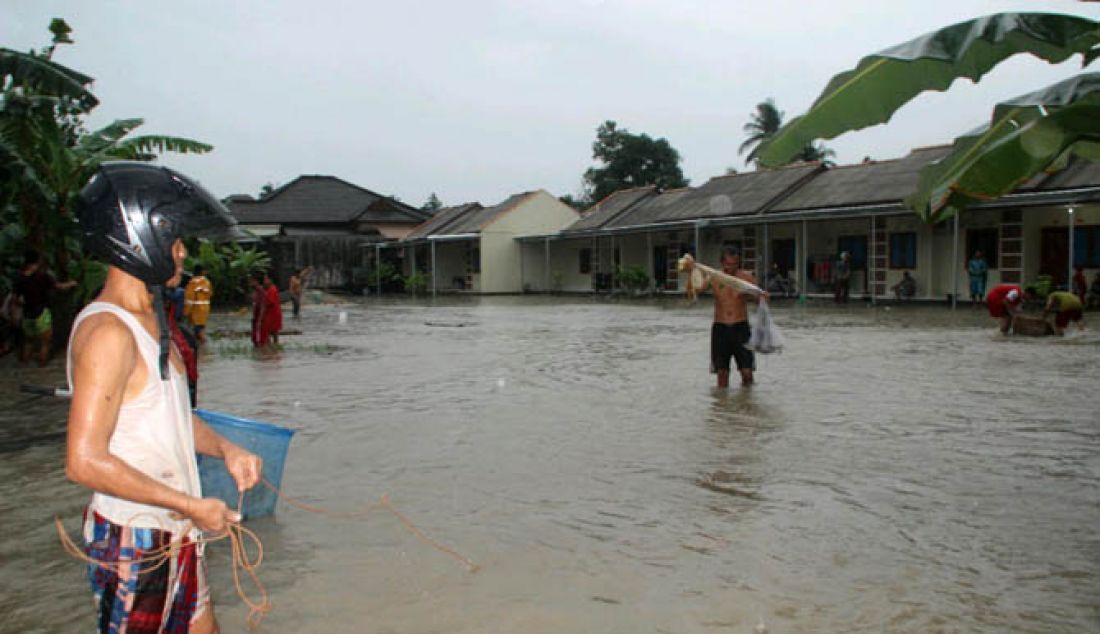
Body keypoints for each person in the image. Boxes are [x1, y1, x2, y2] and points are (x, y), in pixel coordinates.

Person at [67, 162, 261, 633]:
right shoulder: (108, 332)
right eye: (174, 241)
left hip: (177, 530)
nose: (181, 253)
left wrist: (226, 449)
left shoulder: (153, 323)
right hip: (138, 538)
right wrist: (193, 505)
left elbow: (171, 418)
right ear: (137, 238)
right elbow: (83, 461)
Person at [683, 249, 764, 388]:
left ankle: (747, 403)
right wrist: (691, 271)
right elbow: (694, 292)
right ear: (722, 263)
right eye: (728, 264)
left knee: (747, 372)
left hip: (741, 327)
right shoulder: (714, 277)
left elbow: (759, 299)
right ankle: (722, 406)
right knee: (722, 373)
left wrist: (755, 296)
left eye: (735, 264)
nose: (731, 267)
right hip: (720, 328)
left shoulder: (747, 277)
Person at [13, 249, 77, 366]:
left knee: (29, 342)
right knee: (45, 343)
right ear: (37, 261)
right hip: (42, 313)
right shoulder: (42, 276)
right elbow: (59, 287)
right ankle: (42, 366)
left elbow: (15, 299)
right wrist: (72, 283)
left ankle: (24, 367)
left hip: (27, 314)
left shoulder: (19, 278)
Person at [183, 263, 213, 344]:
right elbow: (210, 294)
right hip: (205, 309)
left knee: (198, 330)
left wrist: (186, 312)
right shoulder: (206, 282)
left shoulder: (192, 283)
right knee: (201, 328)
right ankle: (202, 346)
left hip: (196, 310)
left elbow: (189, 299)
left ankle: (203, 346)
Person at [262, 272, 283, 346]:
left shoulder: (272, 289)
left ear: (270, 280)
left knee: (269, 332)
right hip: (274, 314)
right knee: (273, 332)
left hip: (272, 314)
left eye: (266, 279)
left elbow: (270, 302)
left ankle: (270, 348)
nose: (264, 281)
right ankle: (274, 348)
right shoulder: (271, 289)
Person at [250, 271, 267, 347]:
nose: (250, 283)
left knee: (259, 337)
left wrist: (260, 319)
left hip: (259, 316)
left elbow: (263, 305)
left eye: (252, 281)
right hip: (255, 315)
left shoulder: (260, 291)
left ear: (256, 281)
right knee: (255, 337)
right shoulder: (255, 291)